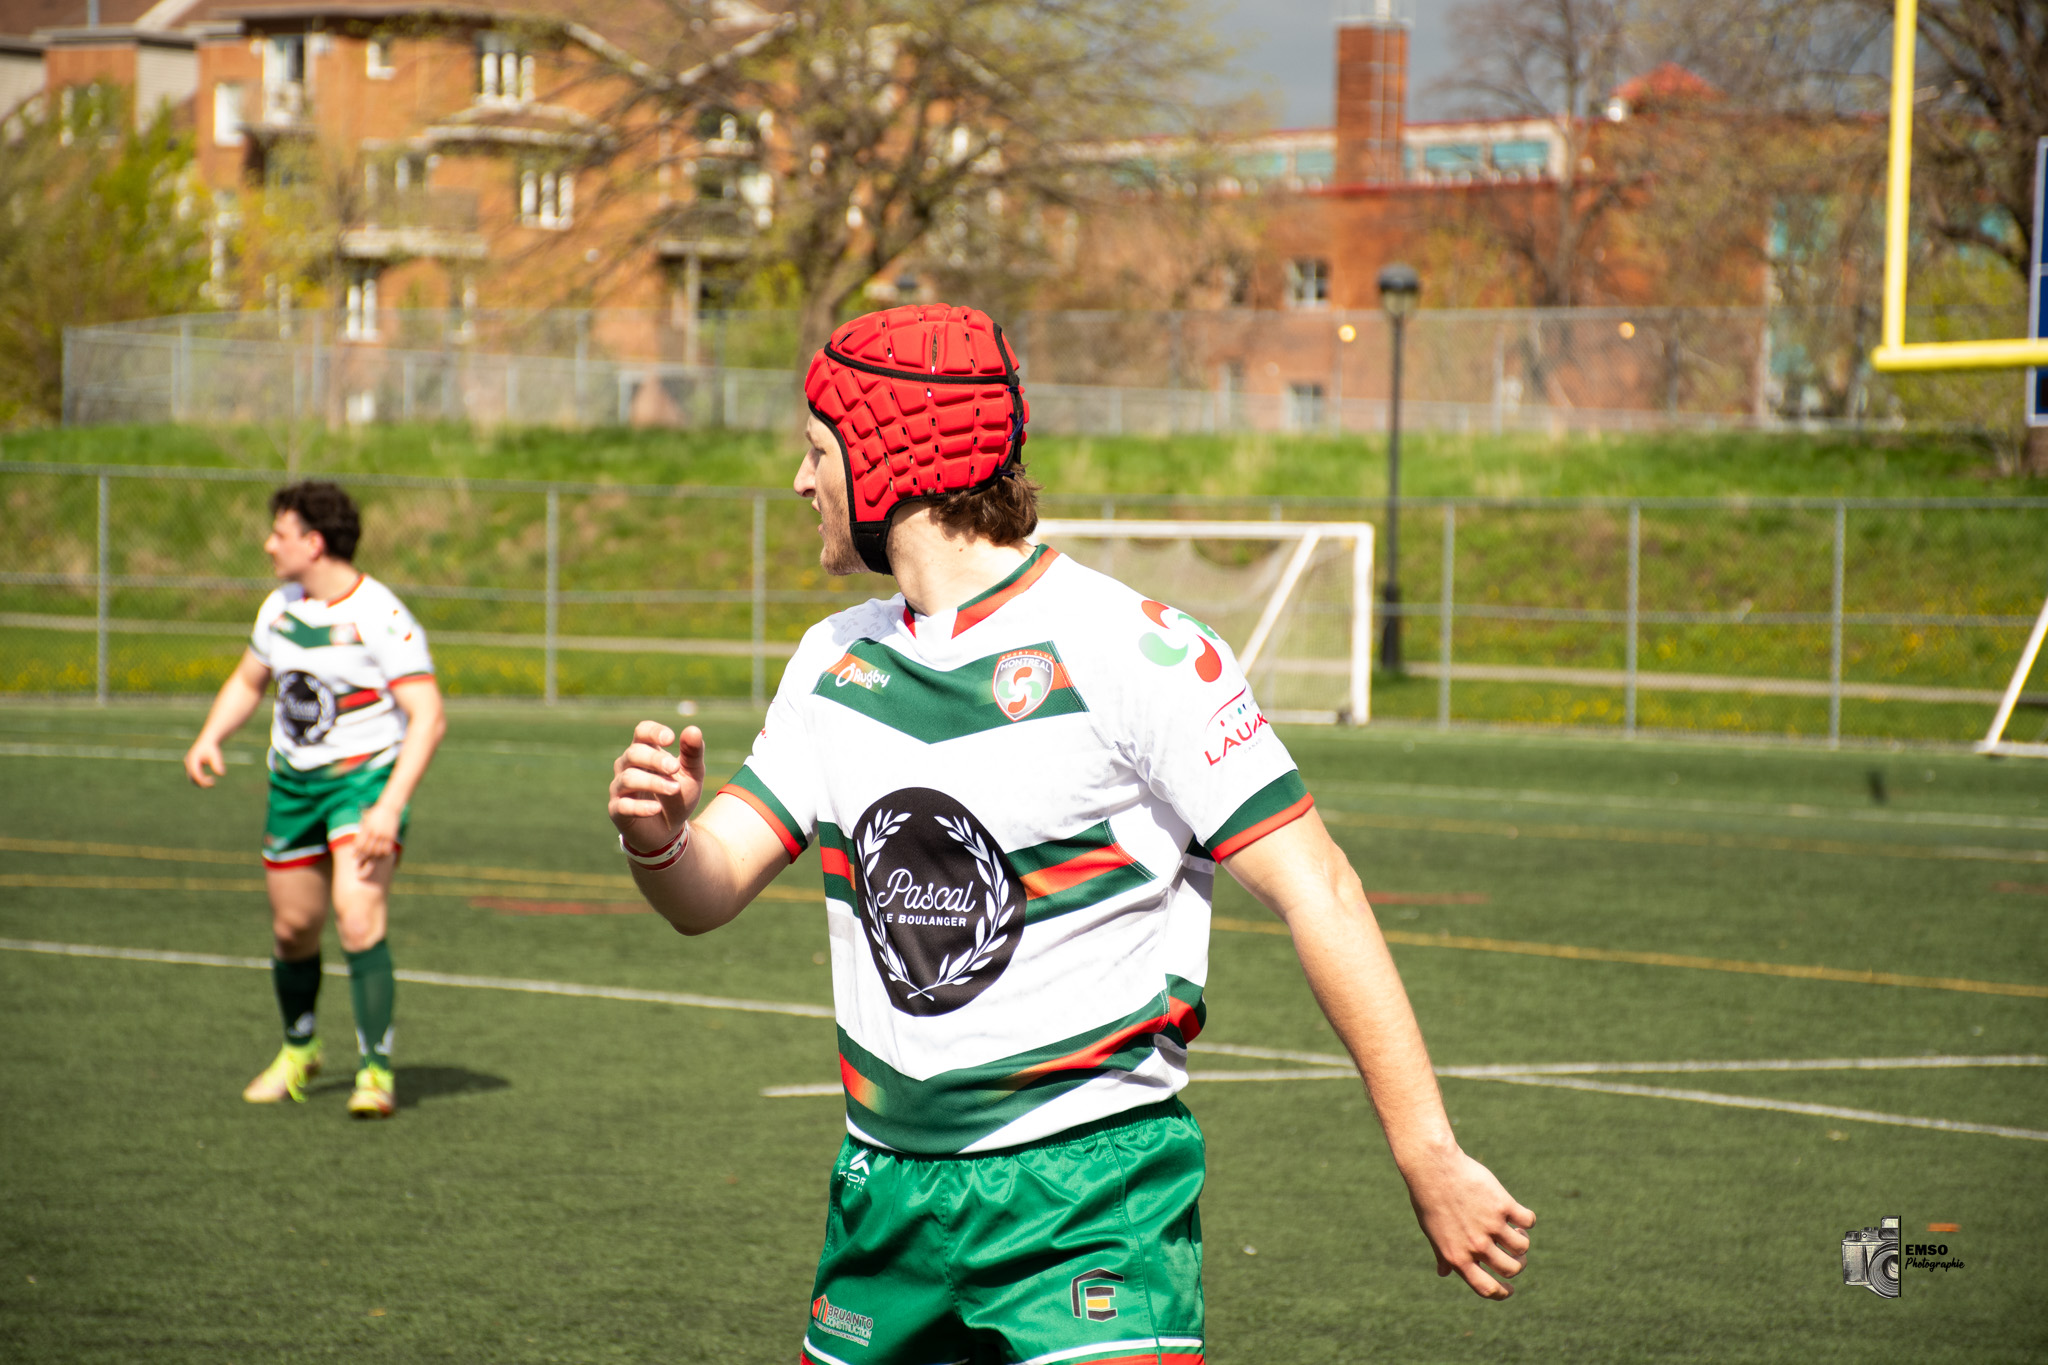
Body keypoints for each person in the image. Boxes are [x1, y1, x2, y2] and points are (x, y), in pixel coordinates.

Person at [608, 304, 1532, 1364]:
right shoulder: (831, 661)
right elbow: (709, 887)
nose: (799, 481)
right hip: (882, 1200)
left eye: (818, 450)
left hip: (1088, 1194)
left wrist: (1427, 1152)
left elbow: (1318, 886)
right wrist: (659, 838)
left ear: (892, 458)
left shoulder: (1131, 653)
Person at [184, 480, 446, 1119]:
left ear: (315, 541)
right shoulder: (278, 608)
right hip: (294, 787)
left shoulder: (380, 614)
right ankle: (299, 1049)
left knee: (358, 918)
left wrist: (388, 806)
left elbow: (428, 715)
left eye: (280, 532)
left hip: (362, 786)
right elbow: (249, 681)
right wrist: (212, 735)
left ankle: (376, 1071)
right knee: (293, 928)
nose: (268, 543)